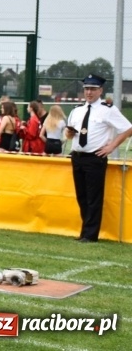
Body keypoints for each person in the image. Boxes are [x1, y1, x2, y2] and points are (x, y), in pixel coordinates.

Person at [65, 74, 132, 243]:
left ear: (100, 91)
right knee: (82, 196)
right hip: (77, 156)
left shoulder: (107, 110)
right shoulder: (77, 110)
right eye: (87, 89)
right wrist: (69, 133)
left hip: (95, 158)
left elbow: (127, 128)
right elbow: (69, 135)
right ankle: (85, 231)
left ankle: (90, 234)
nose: (89, 92)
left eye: (93, 89)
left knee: (93, 197)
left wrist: (111, 147)